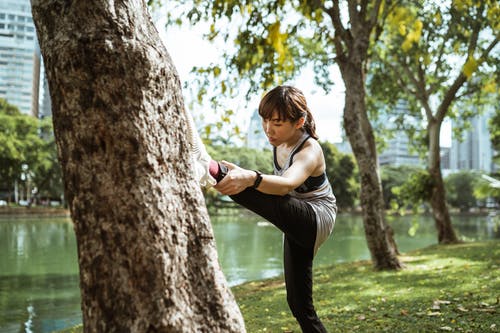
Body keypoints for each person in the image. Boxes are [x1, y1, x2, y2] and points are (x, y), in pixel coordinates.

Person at [189, 85, 337, 333]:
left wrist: (250, 178)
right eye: (265, 120)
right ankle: (212, 170)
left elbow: (287, 184)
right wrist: (247, 178)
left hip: (316, 218)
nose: (269, 129)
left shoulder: (309, 150)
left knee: (248, 186)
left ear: (299, 121)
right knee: (299, 305)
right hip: (296, 219)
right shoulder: (279, 143)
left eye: (277, 123)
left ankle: (210, 169)